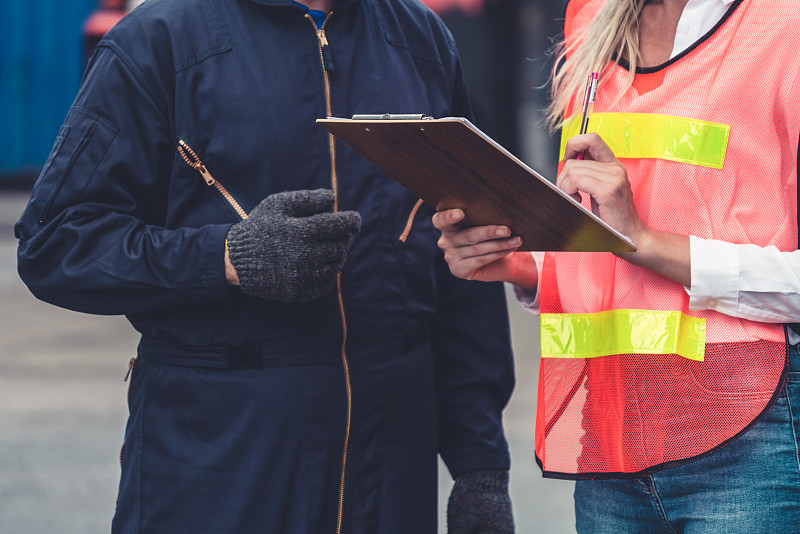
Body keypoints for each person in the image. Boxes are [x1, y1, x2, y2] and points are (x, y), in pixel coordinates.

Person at [14, 0, 516, 532]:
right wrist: (225, 258)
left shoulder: (422, 40)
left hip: (389, 470)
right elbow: (56, 241)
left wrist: (480, 469)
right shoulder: (160, 40)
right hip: (221, 455)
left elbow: (467, 259)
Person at [434, 0, 800, 530]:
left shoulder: (783, 25)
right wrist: (519, 262)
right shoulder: (592, 21)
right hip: (609, 436)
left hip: (745, 436)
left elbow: (633, 236)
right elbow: (596, 239)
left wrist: (646, 241)